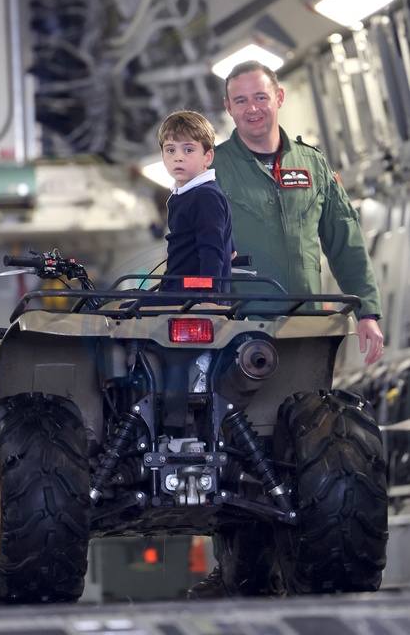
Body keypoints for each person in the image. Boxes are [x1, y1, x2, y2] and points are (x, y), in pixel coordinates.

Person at [187, 60, 384, 600]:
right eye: (240, 100)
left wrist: (367, 310)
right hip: (234, 329)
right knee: (232, 439)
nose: (252, 109)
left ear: (278, 98)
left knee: (311, 442)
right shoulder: (213, 167)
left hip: (306, 330)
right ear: (228, 109)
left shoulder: (312, 165)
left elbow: (344, 239)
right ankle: (237, 562)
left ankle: (306, 558)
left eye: (260, 97)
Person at [158, 109, 236, 294]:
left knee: (119, 308)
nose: (178, 157)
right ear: (163, 156)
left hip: (194, 295)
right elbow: (232, 252)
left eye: (189, 150)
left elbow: (212, 252)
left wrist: (209, 301)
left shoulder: (204, 196)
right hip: (181, 289)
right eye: (170, 150)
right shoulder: (181, 196)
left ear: (207, 158)